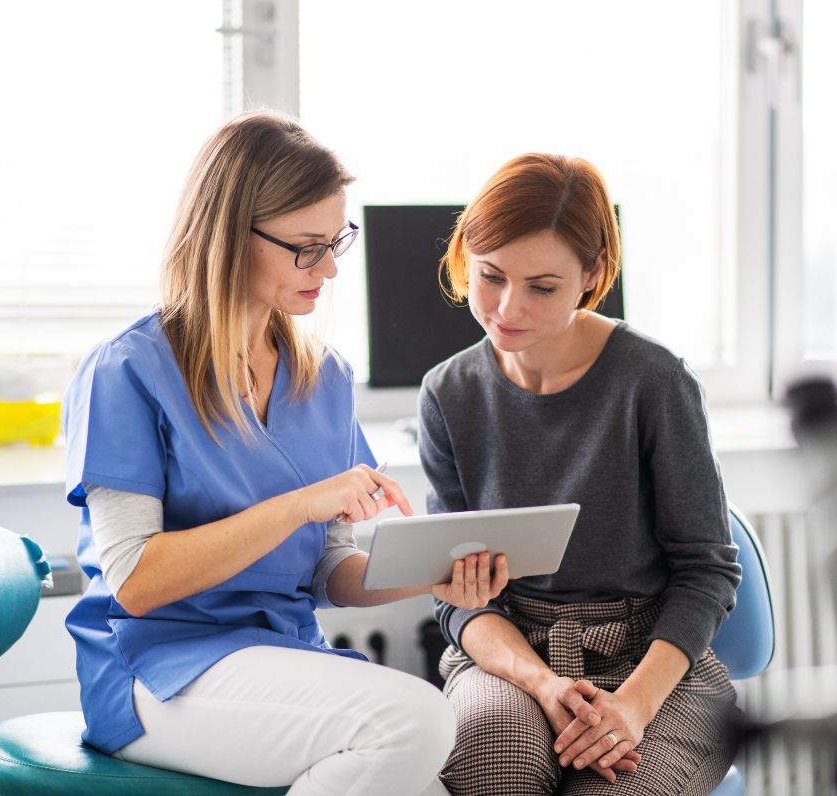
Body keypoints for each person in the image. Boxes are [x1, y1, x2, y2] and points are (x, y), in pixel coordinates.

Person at [61, 111, 508, 796]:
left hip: (282, 657)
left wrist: (429, 575)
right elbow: (135, 581)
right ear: (228, 235)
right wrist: (301, 503)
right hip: (157, 670)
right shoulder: (128, 371)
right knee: (414, 720)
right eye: (306, 247)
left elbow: (330, 572)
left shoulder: (321, 379)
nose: (328, 268)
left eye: (336, 242)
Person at [419, 153, 743, 796]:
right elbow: (458, 600)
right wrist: (542, 683)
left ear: (592, 274)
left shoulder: (653, 381)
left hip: (649, 656)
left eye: (542, 287)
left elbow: (707, 570)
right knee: (495, 772)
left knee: (615, 782)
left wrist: (632, 707)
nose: (508, 308)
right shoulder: (448, 392)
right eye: (490, 277)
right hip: (510, 655)